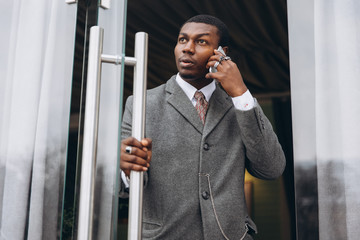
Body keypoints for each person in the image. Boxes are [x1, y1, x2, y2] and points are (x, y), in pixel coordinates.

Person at [120, 14, 286, 240]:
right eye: (182, 40)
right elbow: (122, 182)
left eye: (201, 41)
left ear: (222, 52)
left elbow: (271, 168)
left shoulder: (239, 104)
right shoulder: (141, 103)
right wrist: (125, 169)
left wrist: (240, 92)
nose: (187, 48)